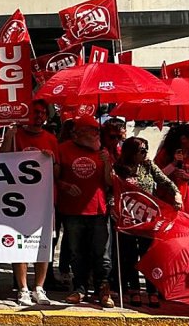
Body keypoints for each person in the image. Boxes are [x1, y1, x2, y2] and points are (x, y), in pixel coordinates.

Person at [0, 99, 57, 306]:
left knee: (43, 245)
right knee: (20, 245)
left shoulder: (51, 139)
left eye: (42, 112)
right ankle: (23, 288)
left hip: (43, 202)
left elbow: (58, 172)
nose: (39, 116)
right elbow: (1, 161)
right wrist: (9, 137)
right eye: (35, 112)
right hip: (18, 201)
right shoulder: (16, 136)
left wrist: (50, 161)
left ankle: (39, 288)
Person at [113, 135, 179, 307]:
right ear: (131, 152)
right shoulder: (119, 168)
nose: (145, 153)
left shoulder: (148, 166)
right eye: (142, 151)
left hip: (148, 217)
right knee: (129, 255)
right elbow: (111, 190)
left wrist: (176, 194)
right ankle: (133, 289)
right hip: (128, 218)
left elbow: (165, 181)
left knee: (149, 254)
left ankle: (151, 290)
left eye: (146, 150)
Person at [55, 115, 113, 307]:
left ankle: (103, 290)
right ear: (78, 133)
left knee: (101, 253)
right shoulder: (62, 150)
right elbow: (54, 178)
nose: (96, 134)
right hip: (73, 210)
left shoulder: (103, 152)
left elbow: (109, 183)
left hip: (97, 209)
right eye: (92, 130)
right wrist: (64, 186)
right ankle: (79, 288)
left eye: (97, 131)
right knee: (76, 252)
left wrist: (107, 164)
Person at [154, 124, 189, 220]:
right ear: (183, 139)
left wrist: (188, 177)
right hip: (170, 204)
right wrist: (173, 164)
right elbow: (156, 176)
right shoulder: (164, 154)